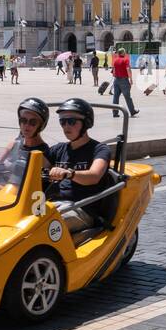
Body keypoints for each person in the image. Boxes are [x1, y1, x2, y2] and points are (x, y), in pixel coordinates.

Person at [47, 98, 114, 234]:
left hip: (83, 209)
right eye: (62, 121)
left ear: (86, 123)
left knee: (46, 225)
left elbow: (94, 176)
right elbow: (34, 164)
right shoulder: (58, 149)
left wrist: (69, 173)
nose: (66, 126)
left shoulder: (99, 149)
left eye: (71, 121)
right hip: (52, 205)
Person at [0, 97, 50, 192]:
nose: (26, 125)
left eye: (33, 122)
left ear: (41, 125)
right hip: (4, 192)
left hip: (21, 197)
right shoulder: (14, 145)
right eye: (23, 120)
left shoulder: (42, 153)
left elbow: (36, 187)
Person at [109, 47, 138, 117]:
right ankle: (132, 111)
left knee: (115, 97)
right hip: (124, 80)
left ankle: (115, 113)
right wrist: (131, 79)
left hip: (116, 80)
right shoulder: (126, 60)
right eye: (124, 52)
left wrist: (116, 77)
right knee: (127, 97)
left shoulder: (115, 60)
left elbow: (114, 71)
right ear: (122, 53)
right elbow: (128, 69)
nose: (125, 53)